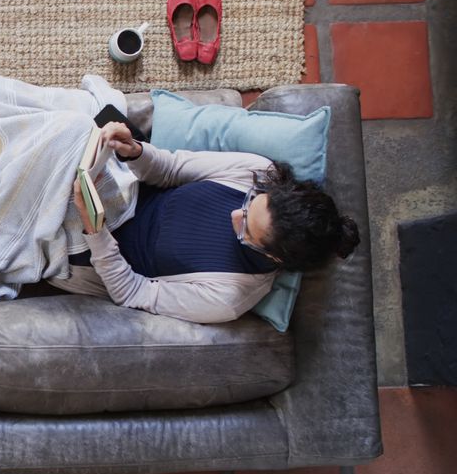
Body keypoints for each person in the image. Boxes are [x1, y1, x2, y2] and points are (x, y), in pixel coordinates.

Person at [47, 121, 360, 324]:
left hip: (90, 249)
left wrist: (95, 230)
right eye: (251, 203)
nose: (234, 215)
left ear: (276, 257)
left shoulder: (229, 297)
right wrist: (135, 151)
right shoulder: (260, 174)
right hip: (121, 188)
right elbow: (172, 168)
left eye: (246, 230)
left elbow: (133, 292)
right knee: (68, 132)